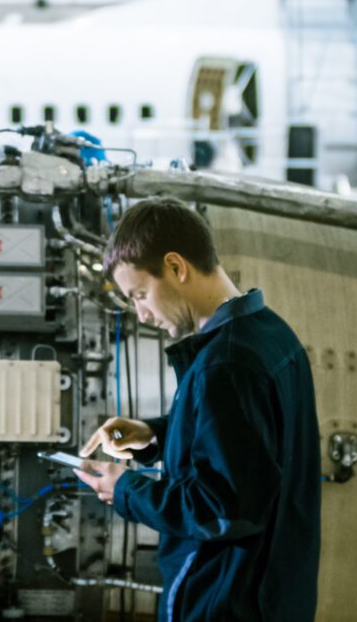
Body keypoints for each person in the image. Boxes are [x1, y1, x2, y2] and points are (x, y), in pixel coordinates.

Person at [74, 197, 320, 621]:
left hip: (228, 601)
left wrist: (126, 490)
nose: (142, 314)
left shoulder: (224, 365)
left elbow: (222, 508)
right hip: (272, 593)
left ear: (175, 267)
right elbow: (248, 446)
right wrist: (154, 435)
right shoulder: (268, 332)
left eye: (140, 294)